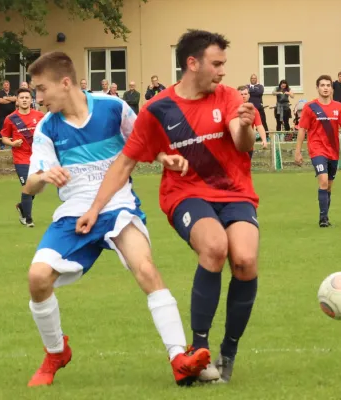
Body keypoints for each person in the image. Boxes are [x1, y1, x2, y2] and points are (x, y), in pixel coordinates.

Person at [77, 29, 259, 384]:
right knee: (215, 247)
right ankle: (199, 351)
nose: (222, 71)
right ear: (193, 63)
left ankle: (229, 351)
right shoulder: (158, 109)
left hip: (235, 192)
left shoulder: (228, 96)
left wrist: (248, 126)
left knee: (245, 261)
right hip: (186, 194)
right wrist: (95, 208)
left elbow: (241, 142)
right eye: (216, 64)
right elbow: (124, 163)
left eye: (224, 64)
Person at [23, 51, 210, 388]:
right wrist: (44, 176)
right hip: (73, 213)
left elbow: (145, 140)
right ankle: (55, 352)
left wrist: (165, 156)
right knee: (37, 278)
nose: (37, 98)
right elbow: (30, 185)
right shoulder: (46, 128)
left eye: (40, 89)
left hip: (118, 206)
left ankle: (178, 357)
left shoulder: (113, 108)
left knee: (146, 268)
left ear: (64, 83)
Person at [295, 75, 341, 227]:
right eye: (322, 85)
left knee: (329, 186)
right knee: (323, 180)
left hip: (333, 151)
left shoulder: (338, 107)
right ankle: (323, 220)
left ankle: (325, 216)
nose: (325, 88)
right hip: (317, 149)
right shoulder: (310, 107)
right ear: (317, 88)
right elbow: (302, 129)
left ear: (332, 89)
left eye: (328, 85)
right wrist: (298, 151)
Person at [0, 88, 44, 227]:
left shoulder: (40, 116)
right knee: (27, 185)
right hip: (21, 158)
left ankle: (22, 206)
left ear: (31, 100)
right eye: (22, 98)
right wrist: (12, 143)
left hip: (37, 157)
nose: (24, 100)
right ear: (17, 101)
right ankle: (28, 219)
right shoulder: (11, 118)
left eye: (27, 97)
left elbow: (47, 132)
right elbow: (4, 138)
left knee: (36, 187)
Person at [238, 85, 267, 157]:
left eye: (245, 94)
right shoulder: (231, 109)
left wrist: (264, 140)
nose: (243, 96)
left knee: (246, 168)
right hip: (234, 146)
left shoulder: (254, 110)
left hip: (248, 146)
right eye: (241, 94)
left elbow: (259, 126)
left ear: (249, 95)